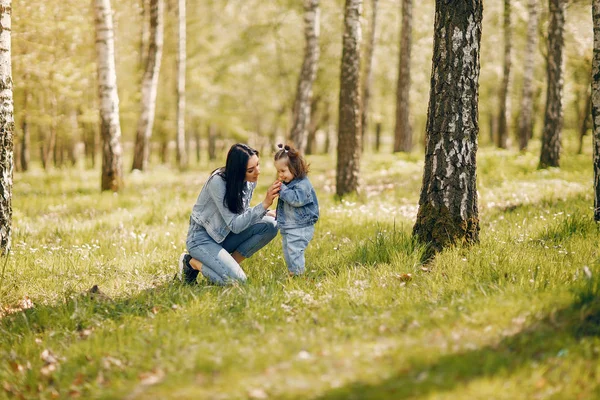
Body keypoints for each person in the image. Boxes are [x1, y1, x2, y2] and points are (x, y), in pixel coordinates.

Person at [178, 143, 281, 285]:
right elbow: (235, 225)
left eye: (258, 164)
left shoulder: (249, 181)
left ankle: (228, 266)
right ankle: (191, 263)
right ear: (237, 171)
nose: (257, 172)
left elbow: (239, 212)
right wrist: (264, 204)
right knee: (238, 282)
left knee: (271, 225)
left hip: (225, 236)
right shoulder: (218, 182)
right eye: (251, 170)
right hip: (202, 239)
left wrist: (266, 212)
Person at [273, 144, 319, 276]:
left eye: (283, 171)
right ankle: (293, 272)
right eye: (278, 171)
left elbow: (296, 200)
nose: (280, 175)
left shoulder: (302, 184)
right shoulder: (289, 184)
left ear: (294, 168)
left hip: (300, 227)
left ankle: (298, 275)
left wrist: (282, 190)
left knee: (294, 251)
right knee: (288, 251)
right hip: (290, 226)